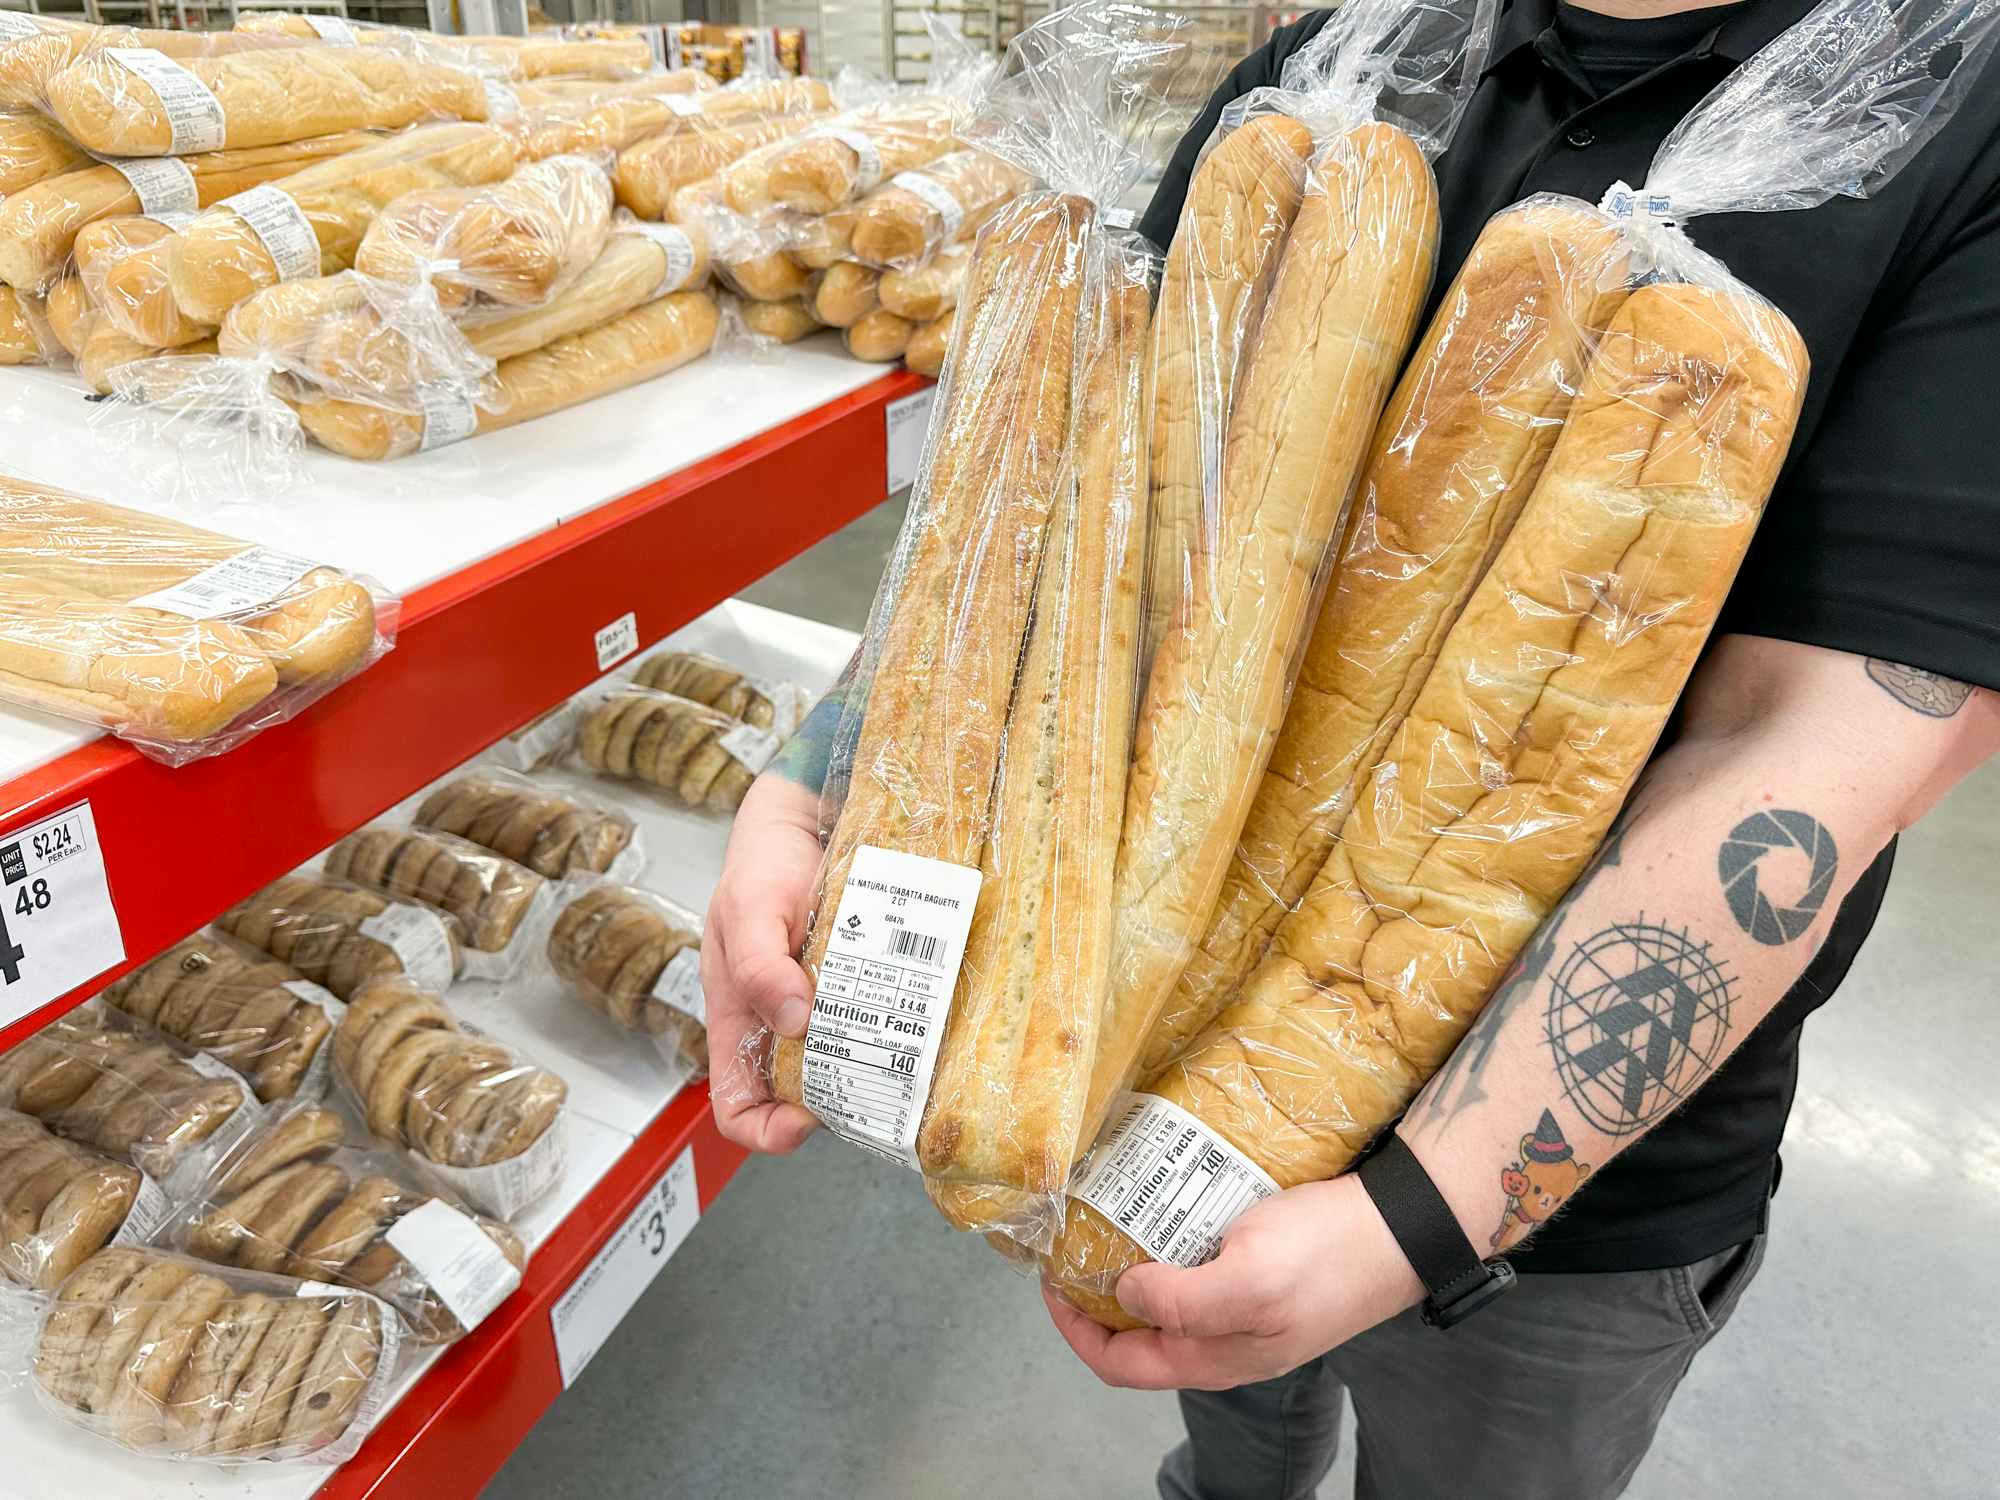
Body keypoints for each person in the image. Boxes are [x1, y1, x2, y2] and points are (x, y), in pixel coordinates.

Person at [701, 0, 2000, 1493]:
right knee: (1228, 1442)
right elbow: (1073, 520)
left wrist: (1420, 1217)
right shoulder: (1355, 57)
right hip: (1154, 1075)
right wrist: (807, 791)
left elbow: (1826, 749)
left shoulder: (1952, 105)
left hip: (1562, 1201)